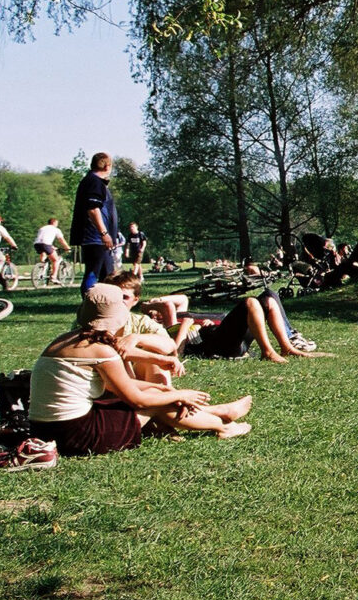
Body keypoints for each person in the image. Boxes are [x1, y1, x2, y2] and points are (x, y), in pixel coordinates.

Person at [28, 284, 254, 455]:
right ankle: (223, 426)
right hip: (77, 436)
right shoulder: (100, 350)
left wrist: (162, 390)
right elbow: (136, 400)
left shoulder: (65, 340)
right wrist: (179, 394)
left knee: (157, 395)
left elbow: (116, 386)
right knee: (155, 403)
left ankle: (219, 414)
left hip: (45, 431)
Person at [182, 288, 328, 361]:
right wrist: (195, 325)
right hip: (217, 344)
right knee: (250, 302)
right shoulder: (170, 324)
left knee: (269, 297)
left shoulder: (179, 313)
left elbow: (179, 301)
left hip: (229, 335)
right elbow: (174, 304)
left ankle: (287, 348)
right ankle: (268, 352)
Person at [70, 152, 119, 295]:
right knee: (93, 272)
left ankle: (105, 305)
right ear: (107, 166)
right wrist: (104, 233)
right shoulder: (94, 182)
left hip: (98, 238)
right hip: (95, 237)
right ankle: (88, 304)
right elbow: (92, 210)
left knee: (107, 274)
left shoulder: (93, 182)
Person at [34, 217, 69, 284]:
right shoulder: (56, 229)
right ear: (54, 223)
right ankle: (54, 277)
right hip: (46, 244)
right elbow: (61, 240)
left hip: (37, 244)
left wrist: (52, 246)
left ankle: (42, 267)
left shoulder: (42, 228)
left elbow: (42, 239)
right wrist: (67, 247)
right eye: (57, 223)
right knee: (55, 260)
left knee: (44, 255)